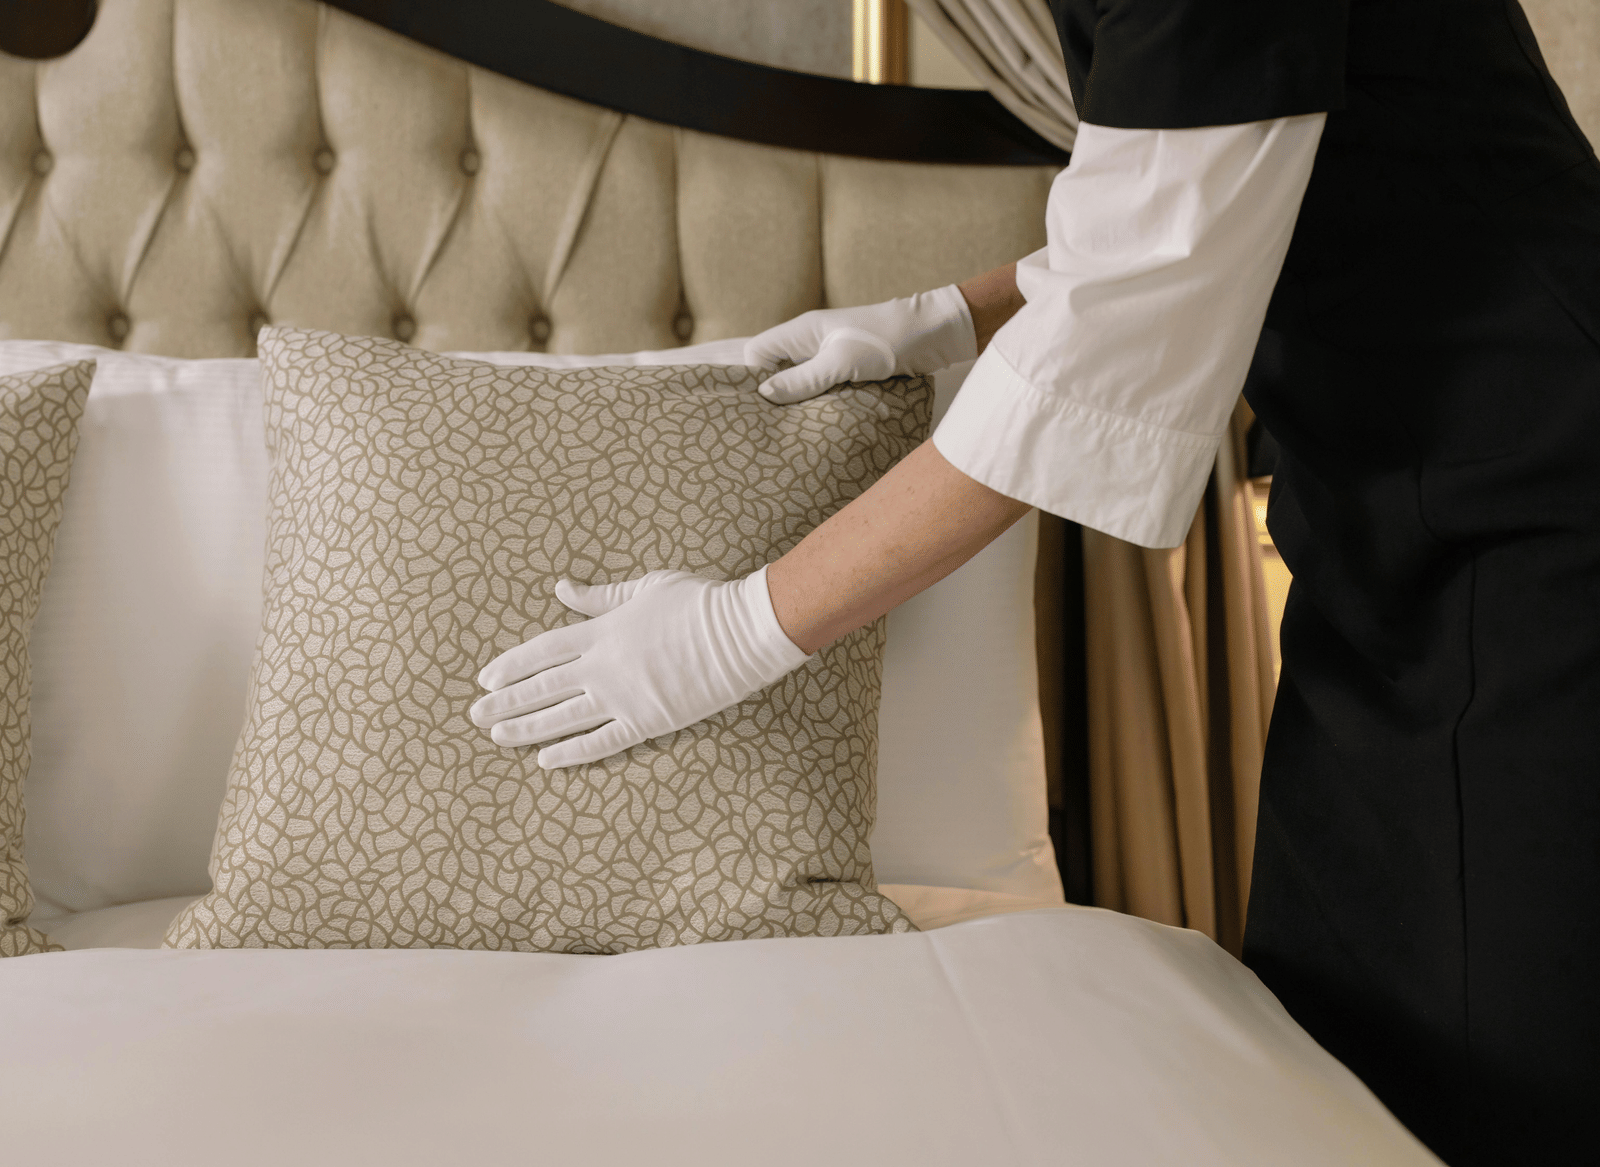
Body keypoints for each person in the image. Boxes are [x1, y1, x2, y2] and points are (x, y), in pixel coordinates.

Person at [469, 1, 1599, 1161]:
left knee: (1494, 1079)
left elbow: (1121, 328)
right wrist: (950, 316)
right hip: (1397, 533)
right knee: (1329, 1057)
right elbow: (1190, 192)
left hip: (1540, 515)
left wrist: (733, 636)